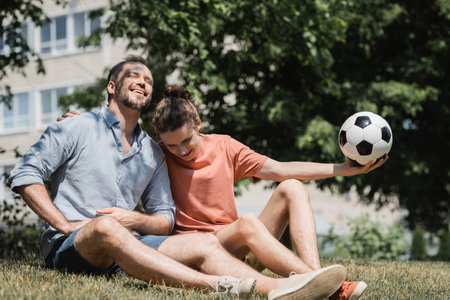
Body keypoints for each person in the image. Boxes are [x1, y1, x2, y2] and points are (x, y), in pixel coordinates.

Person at [9, 55, 348, 300]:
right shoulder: (77, 125)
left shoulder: (154, 153)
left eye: (148, 79)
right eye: (134, 75)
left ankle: (288, 289)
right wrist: (67, 225)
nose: (143, 80)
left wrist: (134, 218)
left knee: (204, 242)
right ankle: (221, 286)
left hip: (126, 247)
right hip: (71, 248)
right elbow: (26, 174)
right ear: (112, 87)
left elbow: (164, 219)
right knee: (104, 227)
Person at [151, 86, 388, 300]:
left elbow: (281, 169)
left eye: (186, 140)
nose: (180, 150)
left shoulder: (225, 146)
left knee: (291, 187)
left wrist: (344, 169)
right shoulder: (157, 155)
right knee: (247, 222)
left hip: (237, 248)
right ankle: (331, 287)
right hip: (198, 253)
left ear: (198, 124)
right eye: (172, 145)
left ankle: (317, 278)